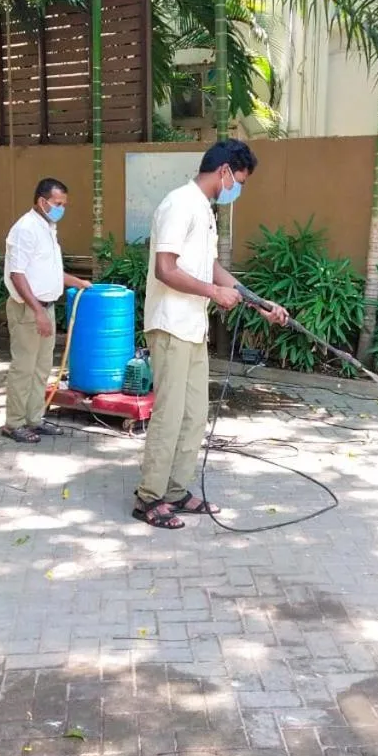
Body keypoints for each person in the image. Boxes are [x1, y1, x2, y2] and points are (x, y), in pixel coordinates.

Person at [133, 139, 288, 530]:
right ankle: (148, 498)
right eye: (239, 180)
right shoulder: (178, 204)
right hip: (170, 325)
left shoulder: (204, 211)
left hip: (193, 327)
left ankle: (176, 491)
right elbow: (164, 269)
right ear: (223, 172)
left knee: (194, 413)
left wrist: (257, 303)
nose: (238, 189)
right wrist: (212, 293)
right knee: (168, 414)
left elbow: (212, 268)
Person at [3, 178, 90, 444]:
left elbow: (47, 271)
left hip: (46, 307)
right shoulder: (25, 229)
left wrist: (77, 282)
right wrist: (38, 311)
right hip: (29, 309)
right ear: (42, 201)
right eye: (57, 203)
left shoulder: (47, 228)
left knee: (41, 369)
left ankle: (34, 419)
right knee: (24, 368)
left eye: (63, 204)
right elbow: (18, 275)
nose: (61, 209)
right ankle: (14, 423)